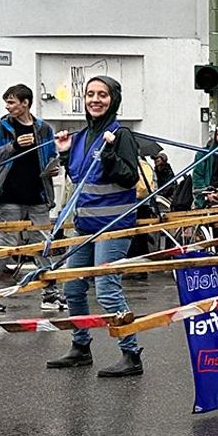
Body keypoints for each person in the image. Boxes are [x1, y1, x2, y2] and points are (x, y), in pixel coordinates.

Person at [45, 74, 147, 377]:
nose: (95, 99)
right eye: (90, 94)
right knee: (73, 288)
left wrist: (112, 154)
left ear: (113, 99)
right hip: (85, 225)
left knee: (106, 290)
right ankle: (80, 347)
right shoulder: (78, 137)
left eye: (102, 94)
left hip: (114, 225)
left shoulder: (122, 134)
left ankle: (131, 354)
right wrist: (64, 153)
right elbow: (79, 178)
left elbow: (129, 178)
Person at [0, 83, 58, 301]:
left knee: (42, 245)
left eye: (11, 102)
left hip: (38, 195)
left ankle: (50, 293)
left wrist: (53, 168)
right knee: (7, 246)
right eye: (7, 102)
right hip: (9, 197)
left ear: (25, 102)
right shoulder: (2, 128)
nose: (8, 106)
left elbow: (50, 155)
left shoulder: (44, 129)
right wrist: (15, 146)